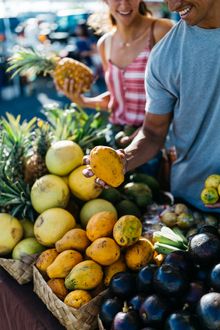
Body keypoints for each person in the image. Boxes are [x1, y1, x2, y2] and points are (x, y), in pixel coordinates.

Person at [84, 0, 220, 213]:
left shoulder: (158, 35)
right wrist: (124, 159)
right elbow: (153, 132)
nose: (173, 6)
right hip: (190, 204)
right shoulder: (163, 57)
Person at [58, 0, 173, 148]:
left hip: (155, 140)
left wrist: (152, 128)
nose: (124, 4)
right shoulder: (105, 44)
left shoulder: (160, 31)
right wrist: (82, 101)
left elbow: (181, 93)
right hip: (115, 137)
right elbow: (117, 99)